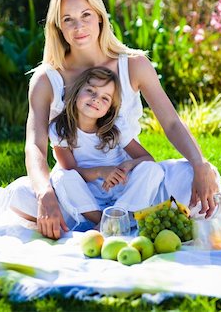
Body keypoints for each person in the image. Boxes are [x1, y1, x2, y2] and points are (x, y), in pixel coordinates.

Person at [0, 0, 221, 240]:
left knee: (196, 177)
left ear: (100, 17)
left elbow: (172, 123)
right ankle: (119, 220)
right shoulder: (45, 79)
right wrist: (45, 194)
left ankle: (115, 218)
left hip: (131, 183)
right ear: (58, 27)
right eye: (68, 19)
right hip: (77, 187)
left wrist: (199, 164)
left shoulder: (134, 65)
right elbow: (35, 146)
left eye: (86, 15)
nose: (78, 26)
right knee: (20, 195)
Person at [48, 66, 164, 228]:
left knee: (152, 169)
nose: (96, 99)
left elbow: (147, 159)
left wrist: (127, 165)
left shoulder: (116, 127)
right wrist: (101, 171)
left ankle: (119, 215)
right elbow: (71, 170)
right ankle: (106, 222)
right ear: (76, 91)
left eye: (105, 98)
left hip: (123, 190)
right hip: (88, 195)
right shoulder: (60, 128)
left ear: (109, 108)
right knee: (62, 177)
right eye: (90, 91)